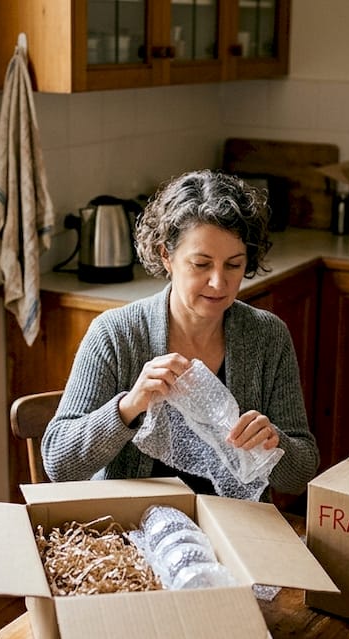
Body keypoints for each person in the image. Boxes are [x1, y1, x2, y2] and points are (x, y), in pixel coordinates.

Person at [42, 169, 318, 499]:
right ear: (165, 255)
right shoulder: (116, 334)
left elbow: (300, 475)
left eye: (233, 265)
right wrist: (129, 407)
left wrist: (274, 443)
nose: (219, 282)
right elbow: (58, 463)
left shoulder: (267, 336)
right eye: (201, 264)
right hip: (131, 529)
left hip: (237, 531)